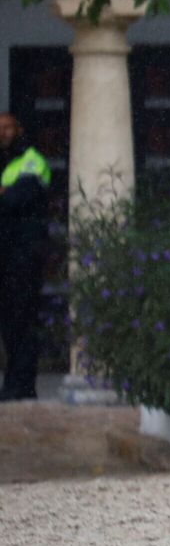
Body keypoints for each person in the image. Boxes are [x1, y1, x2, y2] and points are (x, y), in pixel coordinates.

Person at [0, 113, 50, 401]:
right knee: (9, 323)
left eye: (8, 127)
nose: (4, 133)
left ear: (19, 129)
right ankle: (12, 384)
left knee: (23, 321)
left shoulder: (33, 160)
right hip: (6, 255)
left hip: (25, 254)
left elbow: (15, 199)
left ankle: (22, 385)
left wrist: (5, 193)